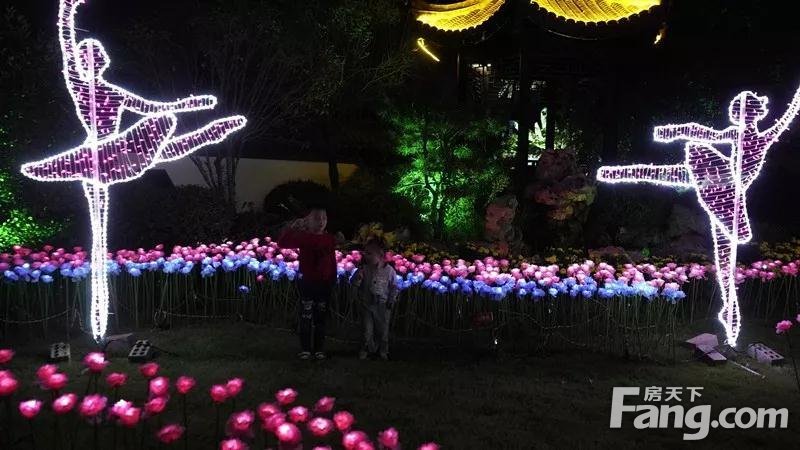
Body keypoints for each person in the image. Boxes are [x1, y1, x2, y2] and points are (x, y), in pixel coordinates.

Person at [277, 206, 337, 360]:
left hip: (324, 284)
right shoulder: (303, 237)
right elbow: (282, 243)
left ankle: (318, 349)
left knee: (321, 317)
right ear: (308, 221)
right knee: (306, 315)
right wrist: (293, 227)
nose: (321, 222)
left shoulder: (329, 239)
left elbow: (332, 261)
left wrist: (332, 278)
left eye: (324, 218)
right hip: (307, 283)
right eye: (317, 218)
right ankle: (305, 348)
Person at [352, 238, 398, 360]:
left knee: (382, 330)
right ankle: (366, 348)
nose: (366, 256)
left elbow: (394, 287)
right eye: (365, 253)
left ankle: (383, 350)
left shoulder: (389, 271)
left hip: (383, 306)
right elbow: (353, 283)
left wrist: (391, 300)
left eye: (369, 253)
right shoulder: (364, 269)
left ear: (381, 255)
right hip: (367, 305)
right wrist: (358, 278)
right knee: (367, 330)